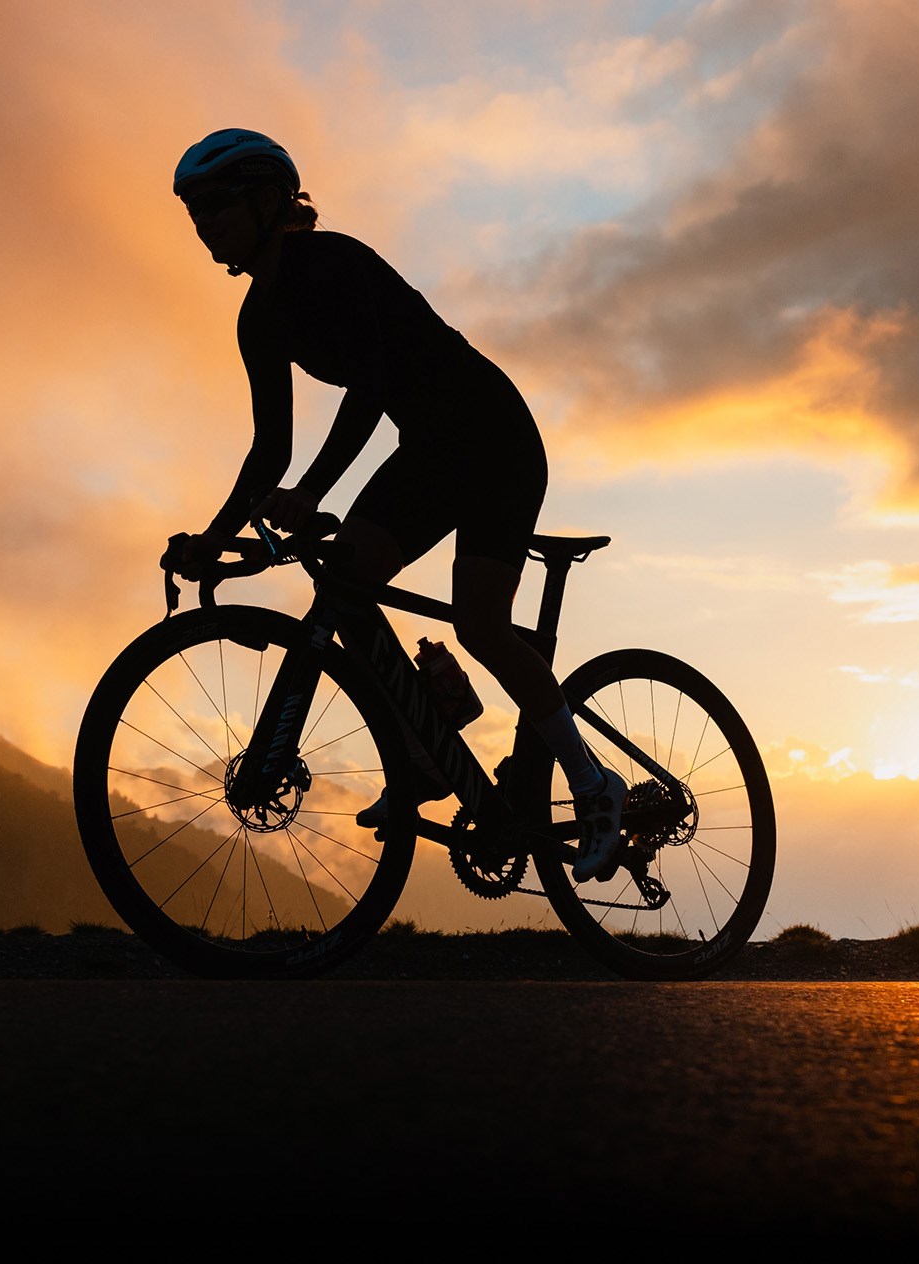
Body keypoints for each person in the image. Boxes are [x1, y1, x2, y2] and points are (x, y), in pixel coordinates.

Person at [158, 127, 627, 883]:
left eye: (215, 204)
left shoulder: (334, 263)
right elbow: (269, 450)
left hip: (492, 435)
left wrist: (311, 494)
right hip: (431, 451)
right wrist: (213, 539)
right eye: (194, 212)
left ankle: (593, 782)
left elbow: (371, 390)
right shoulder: (258, 318)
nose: (204, 222)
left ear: (269, 199)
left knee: (479, 622)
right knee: (345, 578)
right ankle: (426, 749)